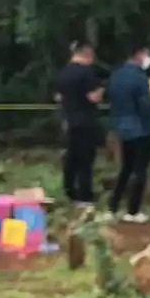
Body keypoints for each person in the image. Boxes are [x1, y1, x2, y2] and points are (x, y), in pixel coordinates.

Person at [106, 43, 150, 223]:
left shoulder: (116, 75)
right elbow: (144, 105)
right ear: (140, 54)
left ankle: (112, 206)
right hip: (141, 129)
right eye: (146, 54)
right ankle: (133, 211)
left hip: (122, 127)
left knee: (126, 168)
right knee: (140, 169)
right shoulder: (139, 77)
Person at [53, 41, 104, 208]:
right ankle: (85, 196)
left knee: (72, 158)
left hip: (69, 120)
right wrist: (102, 90)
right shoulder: (86, 73)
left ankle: (70, 191)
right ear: (87, 53)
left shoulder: (63, 73)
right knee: (86, 159)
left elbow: (58, 98)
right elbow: (93, 97)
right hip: (86, 121)